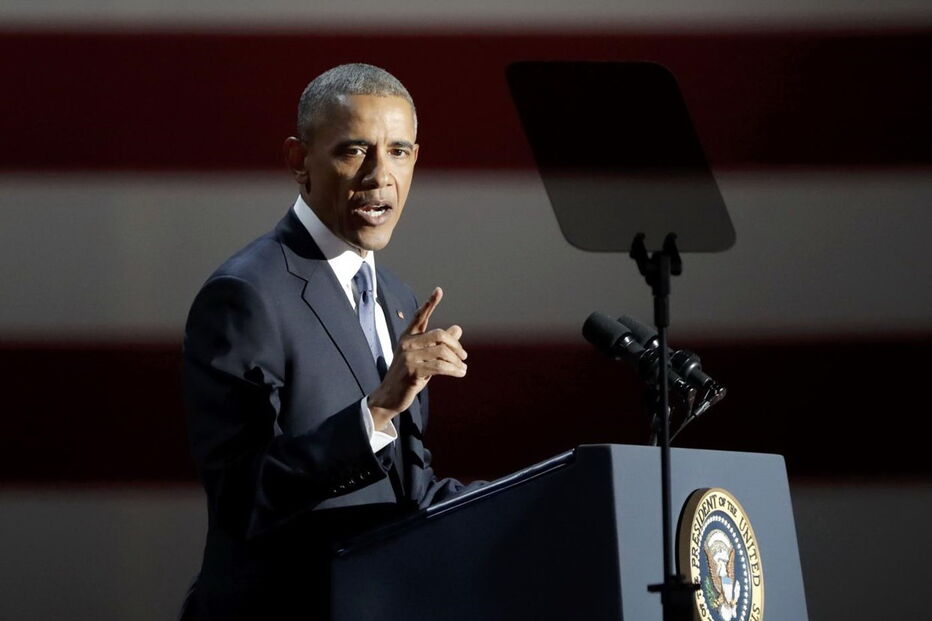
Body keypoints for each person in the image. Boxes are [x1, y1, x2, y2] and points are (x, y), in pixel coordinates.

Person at [181, 63, 478, 620]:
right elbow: (242, 496)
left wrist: (536, 501)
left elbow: (406, 490)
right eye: (353, 150)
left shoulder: (393, 293)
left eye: (398, 151)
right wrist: (379, 408)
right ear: (299, 162)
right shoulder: (245, 294)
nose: (379, 175)